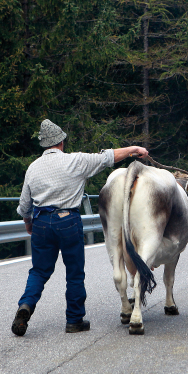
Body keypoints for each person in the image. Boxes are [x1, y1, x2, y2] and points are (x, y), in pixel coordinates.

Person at [11, 119, 148, 336]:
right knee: (74, 273)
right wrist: (133, 149)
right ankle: (74, 321)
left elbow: (24, 205)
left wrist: (29, 223)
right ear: (61, 143)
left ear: (44, 145)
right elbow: (108, 157)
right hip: (68, 221)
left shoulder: (33, 168)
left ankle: (25, 306)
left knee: (39, 271)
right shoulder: (76, 161)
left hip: (41, 224)